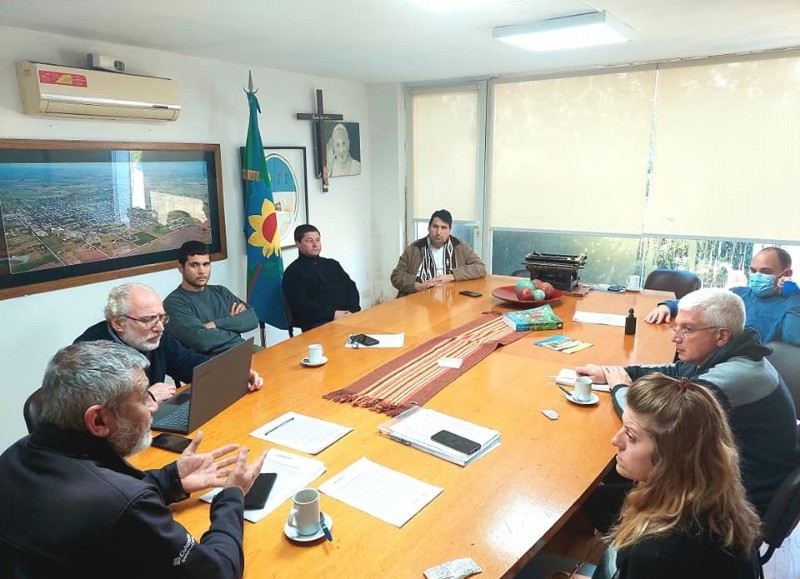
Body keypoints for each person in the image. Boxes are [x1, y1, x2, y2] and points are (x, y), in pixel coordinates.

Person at [0, 341, 267, 578]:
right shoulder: (126, 505)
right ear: (99, 420)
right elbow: (217, 572)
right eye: (142, 398)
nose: (154, 406)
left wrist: (171, 479)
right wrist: (231, 496)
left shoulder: (12, 456)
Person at [577, 288, 798, 518]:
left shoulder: (731, 378)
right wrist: (615, 372)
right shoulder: (724, 351)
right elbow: (672, 372)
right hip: (720, 470)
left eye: (687, 329)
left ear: (722, 335)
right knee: (617, 465)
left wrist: (620, 387)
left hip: (739, 499)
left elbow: (655, 422)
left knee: (593, 501)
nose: (675, 337)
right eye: (677, 326)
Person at [597, 373, 761, 579]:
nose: (615, 440)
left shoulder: (659, 553)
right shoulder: (716, 503)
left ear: (671, 457)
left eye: (631, 436)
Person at [75, 282, 263, 402]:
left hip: (150, 421)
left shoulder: (156, 336)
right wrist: (145, 398)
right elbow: (93, 409)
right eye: (148, 320)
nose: (160, 328)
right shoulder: (88, 353)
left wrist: (233, 372)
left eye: (162, 318)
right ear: (118, 323)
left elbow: (188, 363)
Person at [644, 246, 800, 346]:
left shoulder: (792, 305)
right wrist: (668, 306)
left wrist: (794, 294)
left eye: (765, 272)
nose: (757, 276)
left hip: (745, 368)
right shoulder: (739, 293)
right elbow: (701, 303)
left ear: (786, 274)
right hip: (713, 356)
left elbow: (794, 338)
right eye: (753, 271)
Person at [164, 240, 259, 355]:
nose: (202, 271)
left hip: (242, 348)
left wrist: (216, 324)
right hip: (212, 360)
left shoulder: (220, 291)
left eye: (206, 264)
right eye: (194, 265)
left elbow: (252, 319)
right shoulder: (174, 302)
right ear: (180, 268)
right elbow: (201, 341)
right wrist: (235, 325)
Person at [282, 224, 361, 332]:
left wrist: (352, 310)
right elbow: (301, 305)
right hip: (318, 322)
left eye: (317, 240)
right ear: (298, 244)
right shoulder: (292, 272)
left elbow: (350, 287)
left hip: (347, 316)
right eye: (309, 241)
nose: (315, 244)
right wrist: (333, 314)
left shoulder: (332, 264)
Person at [390, 209, 486, 297]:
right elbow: (396, 276)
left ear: (449, 231)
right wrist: (417, 286)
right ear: (428, 228)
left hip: (450, 300)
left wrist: (452, 276)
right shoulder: (415, 248)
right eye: (435, 227)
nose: (438, 232)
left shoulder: (459, 246)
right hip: (418, 301)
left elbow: (480, 268)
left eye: (444, 228)